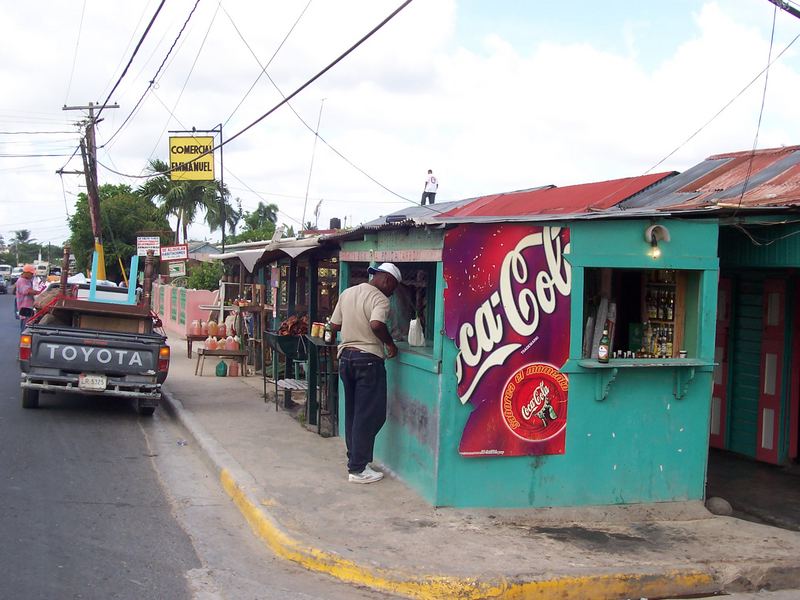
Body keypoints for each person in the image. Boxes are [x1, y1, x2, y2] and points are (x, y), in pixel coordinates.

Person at [329, 262, 401, 484]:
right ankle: (358, 468)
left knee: (354, 412)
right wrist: (390, 344)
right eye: (393, 287)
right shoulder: (380, 299)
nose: (392, 292)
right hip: (368, 360)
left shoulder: (348, 293)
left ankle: (356, 460)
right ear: (387, 280)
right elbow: (377, 324)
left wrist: (353, 323)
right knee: (371, 414)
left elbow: (334, 325)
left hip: (346, 359)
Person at [16, 264, 41, 331]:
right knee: (25, 330)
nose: (32, 275)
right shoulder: (22, 281)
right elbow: (27, 291)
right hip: (25, 309)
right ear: (26, 273)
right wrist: (40, 292)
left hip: (28, 308)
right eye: (31, 273)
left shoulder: (27, 280)